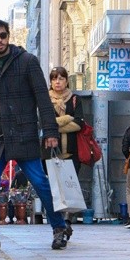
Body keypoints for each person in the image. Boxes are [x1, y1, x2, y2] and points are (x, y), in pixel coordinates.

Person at [0, 17, 68, 251]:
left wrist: (50, 131)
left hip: (23, 132)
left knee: (40, 183)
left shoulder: (27, 61)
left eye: (3, 35)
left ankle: (59, 227)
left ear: (8, 36)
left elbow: (42, 98)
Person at [42, 66, 84, 239]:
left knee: (70, 189)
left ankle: (67, 221)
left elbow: (79, 124)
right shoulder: (45, 99)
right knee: (54, 190)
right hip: (50, 153)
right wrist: (67, 118)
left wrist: (55, 124)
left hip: (71, 153)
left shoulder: (74, 99)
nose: (57, 82)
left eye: (61, 78)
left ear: (67, 80)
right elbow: (44, 123)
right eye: (54, 78)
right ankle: (58, 223)